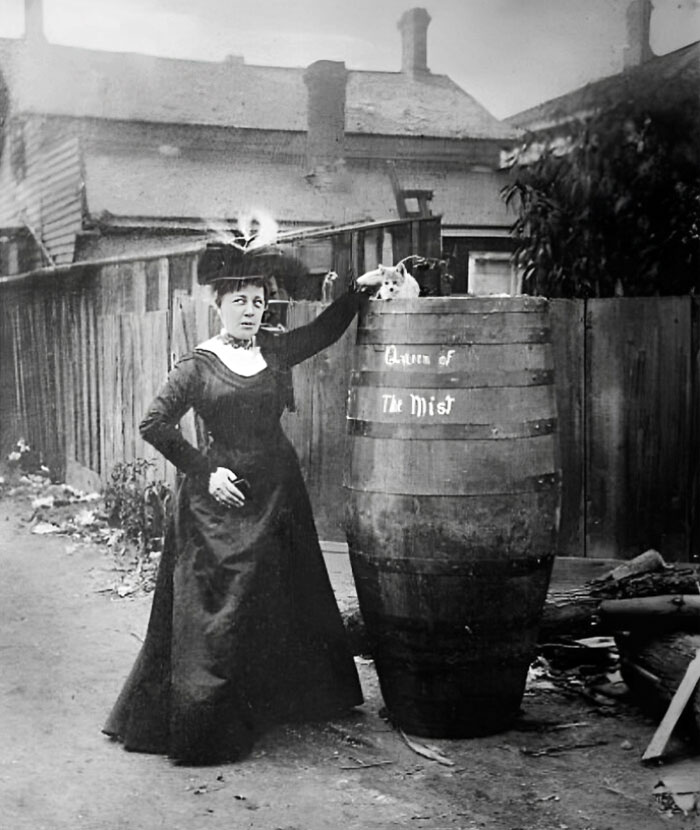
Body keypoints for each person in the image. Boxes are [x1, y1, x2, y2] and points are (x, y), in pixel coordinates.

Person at [102, 247, 382, 765]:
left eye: (258, 301)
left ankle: (274, 702)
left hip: (278, 494)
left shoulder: (273, 351)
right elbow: (154, 424)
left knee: (281, 598)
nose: (251, 310)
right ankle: (207, 717)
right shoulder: (198, 364)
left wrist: (359, 291)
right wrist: (206, 472)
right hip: (219, 501)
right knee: (219, 611)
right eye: (239, 301)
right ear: (218, 305)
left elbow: (323, 332)